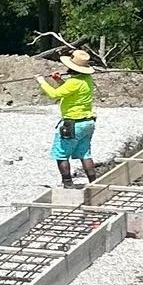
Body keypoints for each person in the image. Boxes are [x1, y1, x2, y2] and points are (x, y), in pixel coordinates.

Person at [41, 49, 98, 189]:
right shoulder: (87, 79)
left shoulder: (74, 82)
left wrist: (41, 81)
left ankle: (67, 184)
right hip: (88, 121)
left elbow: (54, 94)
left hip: (73, 123)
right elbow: (68, 90)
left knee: (61, 154)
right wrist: (58, 80)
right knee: (85, 153)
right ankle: (95, 183)